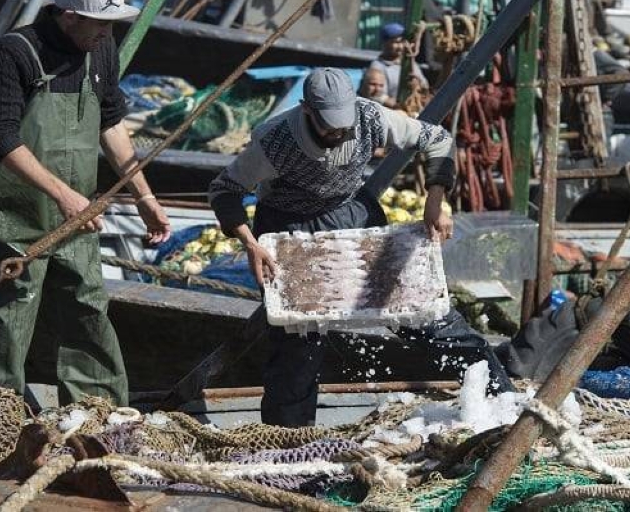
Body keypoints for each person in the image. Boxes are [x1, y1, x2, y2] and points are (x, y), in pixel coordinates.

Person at [208, 68, 512, 427]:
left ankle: (500, 398)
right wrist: (250, 243)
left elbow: (438, 140)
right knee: (298, 340)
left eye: (343, 124)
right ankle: (290, 437)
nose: (339, 132)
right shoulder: (274, 140)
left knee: (420, 312)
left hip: (352, 214)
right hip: (291, 226)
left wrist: (435, 200)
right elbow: (223, 190)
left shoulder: (371, 117)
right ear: (307, 110)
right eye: (329, 126)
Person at [0, 0, 172, 407]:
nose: (110, 33)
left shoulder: (100, 50)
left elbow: (110, 122)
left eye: (113, 24)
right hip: (8, 209)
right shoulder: (13, 54)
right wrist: (63, 195)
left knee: (87, 302)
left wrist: (145, 197)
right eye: (101, 24)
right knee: (9, 308)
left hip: (75, 210)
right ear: (69, 17)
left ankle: (98, 409)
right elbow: (1, 138)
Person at [368, 23, 429, 104]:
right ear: (385, 43)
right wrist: (400, 107)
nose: (400, 46)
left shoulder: (409, 62)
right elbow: (379, 96)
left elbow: (424, 86)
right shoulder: (377, 67)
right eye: (396, 42)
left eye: (402, 42)